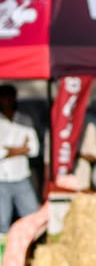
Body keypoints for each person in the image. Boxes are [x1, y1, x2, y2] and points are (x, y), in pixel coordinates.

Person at [0, 84, 40, 234]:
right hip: (2, 179)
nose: (7, 101)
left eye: (9, 97)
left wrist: (9, 150)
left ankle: (32, 252)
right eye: (3, 97)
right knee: (2, 223)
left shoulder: (25, 120)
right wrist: (20, 149)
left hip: (21, 176)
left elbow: (34, 149)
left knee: (32, 218)